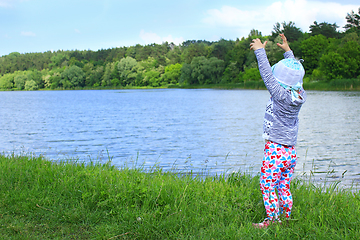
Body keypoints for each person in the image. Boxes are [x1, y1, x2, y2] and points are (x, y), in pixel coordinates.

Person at [249, 34, 306, 228]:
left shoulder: (280, 94)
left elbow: (266, 74)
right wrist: (288, 53)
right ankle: (286, 217)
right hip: (290, 151)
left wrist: (259, 51)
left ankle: (272, 221)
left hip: (275, 150)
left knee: (267, 185)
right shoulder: (299, 93)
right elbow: (295, 76)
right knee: (283, 185)